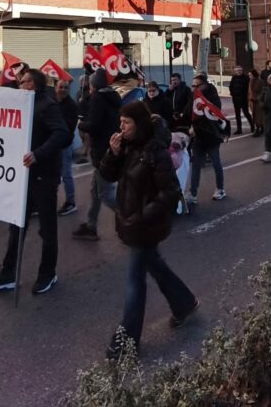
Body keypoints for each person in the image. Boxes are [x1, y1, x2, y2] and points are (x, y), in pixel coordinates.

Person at [100, 101, 198, 360]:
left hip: (145, 226)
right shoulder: (129, 147)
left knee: (135, 280)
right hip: (132, 223)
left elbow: (171, 192)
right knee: (155, 266)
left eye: (126, 123)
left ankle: (127, 341)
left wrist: (142, 216)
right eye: (120, 122)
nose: (121, 127)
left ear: (139, 124)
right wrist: (113, 152)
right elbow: (108, 175)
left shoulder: (155, 151)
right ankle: (184, 302)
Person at [0, 69, 71, 294]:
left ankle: (47, 273)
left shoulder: (46, 105)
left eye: (23, 82)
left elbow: (62, 134)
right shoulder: (21, 104)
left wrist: (38, 154)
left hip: (43, 176)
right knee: (16, 225)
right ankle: (8, 272)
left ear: (33, 83)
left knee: (47, 228)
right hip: (23, 176)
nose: (19, 86)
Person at [72, 68, 121, 241]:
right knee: (95, 190)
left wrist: (81, 124)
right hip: (106, 147)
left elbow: (95, 124)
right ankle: (91, 226)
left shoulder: (98, 98)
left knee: (105, 193)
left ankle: (131, 219)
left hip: (102, 151)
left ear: (94, 84)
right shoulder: (111, 96)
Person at [188, 72, 227, 203]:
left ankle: (220, 189)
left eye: (196, 85)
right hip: (198, 137)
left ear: (204, 85)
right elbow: (190, 112)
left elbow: (214, 115)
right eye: (193, 85)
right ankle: (193, 194)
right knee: (196, 165)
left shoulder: (213, 97)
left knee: (216, 162)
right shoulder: (194, 97)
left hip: (211, 135)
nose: (194, 88)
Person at [55, 79, 79, 217]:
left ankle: (71, 202)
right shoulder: (52, 101)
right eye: (61, 87)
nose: (63, 89)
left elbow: (70, 127)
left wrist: (57, 121)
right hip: (52, 145)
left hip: (64, 145)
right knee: (51, 175)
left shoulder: (71, 105)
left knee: (66, 175)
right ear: (56, 88)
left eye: (65, 87)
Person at [228, 65, 253, 135]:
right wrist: (232, 93)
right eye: (237, 71)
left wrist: (247, 96)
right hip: (235, 99)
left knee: (246, 113)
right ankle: (239, 129)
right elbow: (231, 86)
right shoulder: (234, 77)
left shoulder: (246, 78)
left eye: (240, 70)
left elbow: (248, 88)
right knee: (237, 115)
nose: (239, 72)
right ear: (235, 71)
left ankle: (252, 126)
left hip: (243, 98)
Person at [248, 68, 265, 137]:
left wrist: (258, 98)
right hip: (252, 102)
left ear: (254, 75)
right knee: (254, 115)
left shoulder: (260, 81)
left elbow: (263, 91)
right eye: (249, 75)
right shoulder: (250, 82)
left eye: (250, 75)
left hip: (259, 101)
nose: (249, 76)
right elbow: (249, 92)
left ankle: (258, 128)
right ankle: (259, 127)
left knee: (259, 116)